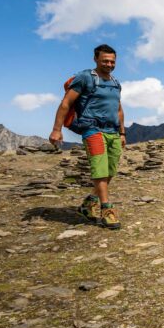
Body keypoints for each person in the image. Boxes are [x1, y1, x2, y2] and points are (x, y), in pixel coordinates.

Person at [49, 44, 125, 230]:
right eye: (105, 60)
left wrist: (122, 132)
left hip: (113, 132)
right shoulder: (85, 77)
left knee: (109, 171)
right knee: (99, 170)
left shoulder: (115, 82)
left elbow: (119, 109)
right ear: (96, 60)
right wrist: (56, 129)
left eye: (112, 61)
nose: (109, 64)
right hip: (93, 130)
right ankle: (106, 210)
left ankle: (88, 204)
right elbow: (66, 103)